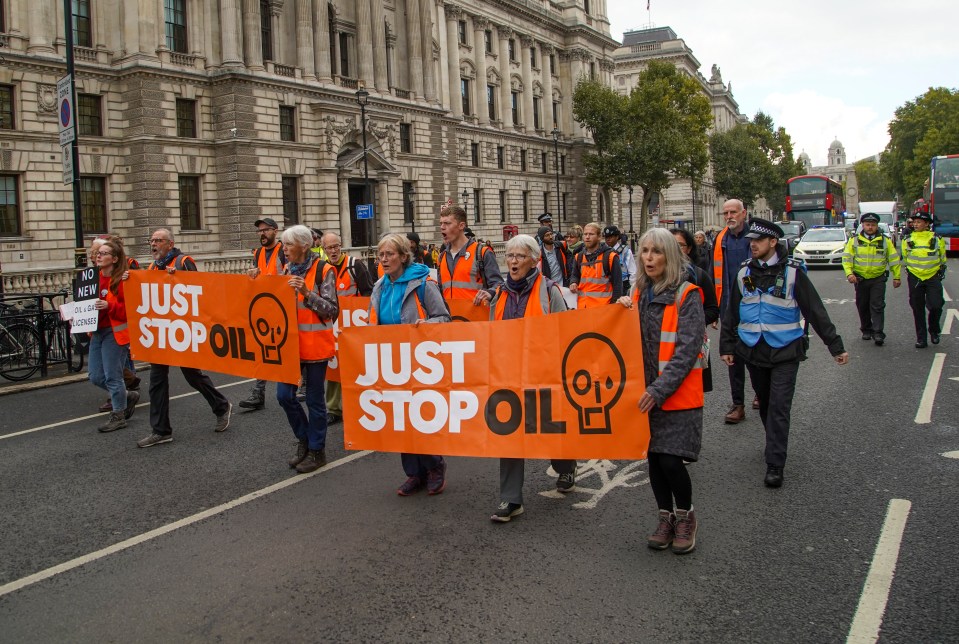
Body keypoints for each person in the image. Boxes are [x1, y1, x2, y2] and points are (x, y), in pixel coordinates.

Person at [720, 218, 848, 488]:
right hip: (753, 349)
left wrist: (834, 345)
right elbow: (732, 311)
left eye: (758, 241)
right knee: (765, 404)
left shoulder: (792, 272)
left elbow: (815, 310)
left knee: (779, 407)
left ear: (773, 242)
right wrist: (727, 346)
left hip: (786, 350)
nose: (752, 244)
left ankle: (775, 463)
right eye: (750, 241)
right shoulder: (744, 273)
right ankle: (774, 442)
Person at [616, 228, 705, 555]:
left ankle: (686, 515)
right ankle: (664, 517)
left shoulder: (687, 294)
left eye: (656, 252)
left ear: (669, 256)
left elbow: (687, 350)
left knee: (669, 460)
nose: (648, 257)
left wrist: (659, 389)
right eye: (644, 251)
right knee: (653, 458)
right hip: (645, 394)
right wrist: (620, 308)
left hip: (677, 396)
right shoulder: (638, 293)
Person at [488, 234, 573, 523]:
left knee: (548, 430)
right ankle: (511, 499)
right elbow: (491, 334)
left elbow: (565, 333)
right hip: (508, 376)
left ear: (534, 260)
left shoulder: (550, 291)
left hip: (543, 374)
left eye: (519, 256)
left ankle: (566, 466)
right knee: (510, 434)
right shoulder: (498, 294)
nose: (512, 261)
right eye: (509, 256)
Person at [368, 233, 451, 496]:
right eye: (381, 255)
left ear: (404, 256)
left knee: (421, 418)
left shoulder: (423, 284)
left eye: (389, 254)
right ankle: (414, 474)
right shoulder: (380, 286)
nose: (384, 259)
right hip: (391, 364)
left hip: (420, 362)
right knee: (401, 421)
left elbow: (444, 318)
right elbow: (374, 322)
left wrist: (427, 325)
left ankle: (434, 466)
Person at [136, 229, 233, 448]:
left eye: (158, 241)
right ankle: (160, 430)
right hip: (161, 332)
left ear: (170, 244)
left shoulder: (184, 261)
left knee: (192, 375)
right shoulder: (152, 267)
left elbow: (199, 290)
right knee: (157, 380)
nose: (153, 244)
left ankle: (221, 406)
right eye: (151, 241)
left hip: (183, 330)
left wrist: (177, 279)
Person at [262, 225, 340, 473]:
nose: (283, 249)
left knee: (315, 401)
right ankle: (305, 439)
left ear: (304, 246)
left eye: (288, 244)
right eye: (283, 244)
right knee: (283, 396)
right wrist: (255, 279)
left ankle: (317, 451)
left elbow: (332, 310)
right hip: (290, 347)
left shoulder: (323, 270)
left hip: (315, 346)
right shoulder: (285, 269)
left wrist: (307, 293)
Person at [322, 231, 373, 425]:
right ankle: (334, 409)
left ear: (341, 246)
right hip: (333, 327)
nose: (333, 251)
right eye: (329, 248)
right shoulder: (323, 268)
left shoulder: (355, 265)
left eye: (336, 246)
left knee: (359, 367)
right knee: (334, 367)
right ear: (324, 249)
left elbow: (368, 292)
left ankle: (361, 404)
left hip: (355, 326)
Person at [89, 238, 140, 433]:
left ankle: (118, 415)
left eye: (103, 254)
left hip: (114, 333)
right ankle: (127, 396)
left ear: (115, 259)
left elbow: (128, 311)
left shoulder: (122, 280)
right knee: (95, 376)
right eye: (97, 253)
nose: (98, 256)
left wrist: (109, 305)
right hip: (97, 331)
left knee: (113, 376)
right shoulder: (92, 278)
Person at [713, 199, 756, 423]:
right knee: (732, 357)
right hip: (728, 306)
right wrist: (715, 310)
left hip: (754, 307)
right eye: (726, 212)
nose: (729, 216)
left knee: (756, 355)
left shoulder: (755, 236)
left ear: (743, 214)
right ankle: (738, 404)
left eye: (733, 212)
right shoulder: (720, 239)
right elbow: (715, 275)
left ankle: (760, 392)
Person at [239, 217, 288, 411]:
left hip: (283, 308)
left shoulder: (283, 251)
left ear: (275, 231)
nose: (262, 234)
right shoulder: (258, 252)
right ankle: (258, 393)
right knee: (263, 350)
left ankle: (303, 384)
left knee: (289, 349)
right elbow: (256, 276)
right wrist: (252, 275)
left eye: (266, 230)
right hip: (265, 308)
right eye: (259, 231)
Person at [841, 213, 901, 346]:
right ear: (863, 225)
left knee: (877, 305)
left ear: (876, 226)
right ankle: (866, 329)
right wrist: (849, 274)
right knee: (862, 305)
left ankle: (878, 332)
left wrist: (896, 276)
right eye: (867, 225)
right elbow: (846, 258)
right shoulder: (854, 240)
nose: (870, 227)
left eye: (873, 225)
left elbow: (893, 259)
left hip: (878, 278)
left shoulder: (885, 241)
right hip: (860, 279)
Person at [671, 228, 720, 392]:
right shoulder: (653, 277)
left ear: (689, 248)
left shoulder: (700, 276)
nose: (675, 250)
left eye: (680, 246)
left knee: (692, 392)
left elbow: (713, 310)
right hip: (663, 347)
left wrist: (693, 321)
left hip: (693, 343)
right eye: (671, 245)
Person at [437, 203, 504, 305]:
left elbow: (499, 285)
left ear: (461, 226)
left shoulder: (482, 252)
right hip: (450, 319)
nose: (442, 227)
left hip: (477, 318)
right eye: (441, 223)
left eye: (447, 223)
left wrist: (490, 293)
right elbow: (440, 292)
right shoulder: (442, 257)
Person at [901, 211, 947, 348]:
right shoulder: (907, 239)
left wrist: (940, 270)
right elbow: (905, 257)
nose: (915, 224)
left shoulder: (937, 238)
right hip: (915, 277)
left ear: (927, 224)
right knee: (917, 308)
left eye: (919, 222)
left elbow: (942, 257)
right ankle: (921, 338)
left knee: (937, 305)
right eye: (914, 222)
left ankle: (934, 330)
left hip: (932, 276)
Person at [569, 222, 623, 308]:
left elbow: (618, 286)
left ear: (599, 237)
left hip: (603, 309)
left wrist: (613, 306)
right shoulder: (578, 257)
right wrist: (573, 282)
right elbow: (575, 275)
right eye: (585, 234)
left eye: (591, 234)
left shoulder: (610, 257)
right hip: (583, 308)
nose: (587, 237)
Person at [604, 225, 636, 294]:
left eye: (611, 237)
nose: (608, 239)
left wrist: (632, 288)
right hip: (607, 285)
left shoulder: (625, 251)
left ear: (617, 237)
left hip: (623, 285)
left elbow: (632, 271)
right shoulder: (603, 251)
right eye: (606, 237)